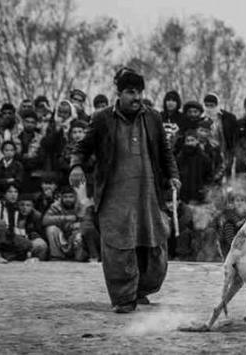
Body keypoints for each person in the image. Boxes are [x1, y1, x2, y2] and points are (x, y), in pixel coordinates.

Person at [69, 67, 180, 313]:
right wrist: (76, 166)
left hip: (148, 194)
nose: (137, 97)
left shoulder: (153, 117)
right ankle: (123, 299)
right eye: (131, 92)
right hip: (114, 196)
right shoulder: (101, 118)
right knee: (120, 247)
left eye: (140, 92)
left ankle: (141, 291)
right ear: (118, 93)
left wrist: (173, 176)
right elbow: (82, 148)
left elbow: (165, 152)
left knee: (152, 244)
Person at [0, 183, 47, 262]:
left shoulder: (17, 209)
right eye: (10, 192)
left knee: (27, 244)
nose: (13, 195)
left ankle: (8, 256)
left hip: (8, 236)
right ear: (4, 194)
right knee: (1, 226)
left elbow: (17, 228)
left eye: (15, 192)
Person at [43, 185, 87, 261]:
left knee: (80, 234)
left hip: (75, 235)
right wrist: (65, 218)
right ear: (61, 198)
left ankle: (79, 258)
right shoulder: (56, 206)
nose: (68, 199)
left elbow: (88, 222)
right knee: (51, 229)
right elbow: (45, 220)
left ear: (75, 197)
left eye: (71, 197)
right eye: (65, 197)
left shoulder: (81, 207)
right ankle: (56, 256)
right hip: (61, 236)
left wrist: (80, 225)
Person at [176, 129, 213, 204]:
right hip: (184, 197)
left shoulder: (204, 158)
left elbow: (209, 175)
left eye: (192, 140)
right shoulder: (180, 158)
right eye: (188, 140)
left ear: (197, 141)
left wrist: (205, 189)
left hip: (199, 197)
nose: (190, 143)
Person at [203, 93, 237, 173]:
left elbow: (233, 137)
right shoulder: (202, 118)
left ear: (217, 105)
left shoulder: (228, 118)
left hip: (225, 152)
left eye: (212, 105)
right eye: (207, 105)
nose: (209, 108)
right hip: (207, 154)